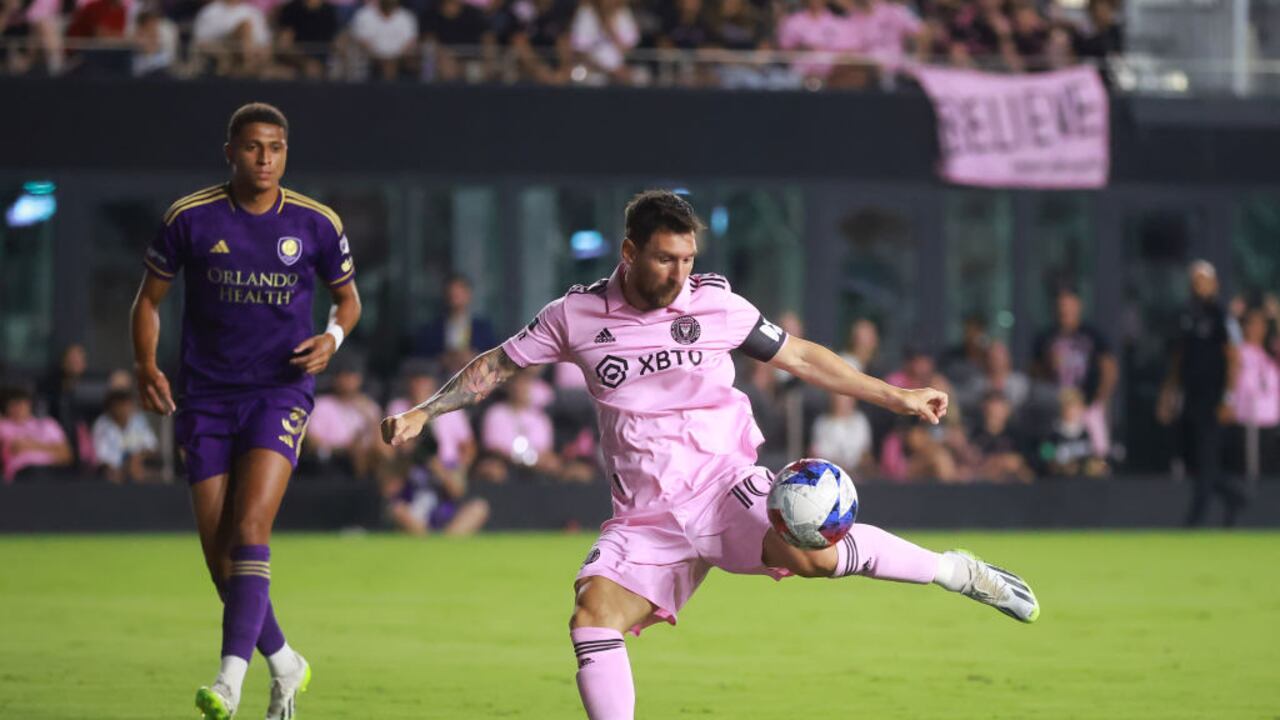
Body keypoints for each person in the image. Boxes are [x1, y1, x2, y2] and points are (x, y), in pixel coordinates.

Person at [382, 190, 1039, 719]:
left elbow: (803, 357)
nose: (680, 274)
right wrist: (423, 411)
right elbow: (496, 365)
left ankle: (958, 572)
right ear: (630, 251)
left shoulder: (716, 305)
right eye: (667, 259)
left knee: (814, 556)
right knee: (591, 617)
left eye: (689, 259)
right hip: (644, 517)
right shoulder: (574, 315)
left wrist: (891, 396)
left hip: (725, 485)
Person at [130, 102, 362, 720]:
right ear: (229, 151)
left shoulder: (315, 223)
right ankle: (285, 664)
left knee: (251, 531)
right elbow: (148, 301)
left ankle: (228, 681)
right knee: (219, 559)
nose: (266, 159)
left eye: (277, 148)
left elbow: (348, 301)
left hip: (279, 391)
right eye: (254, 147)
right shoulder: (191, 218)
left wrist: (333, 339)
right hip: (204, 396)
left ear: (287, 153)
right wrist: (145, 363)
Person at [1157, 260, 1246, 527]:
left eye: (1204, 280)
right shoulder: (1185, 315)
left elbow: (1234, 358)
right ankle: (1233, 495)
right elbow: (1178, 359)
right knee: (1191, 458)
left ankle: (1195, 521)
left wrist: (1229, 398)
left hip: (1214, 398)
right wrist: (1168, 394)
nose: (1199, 286)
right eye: (1195, 281)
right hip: (1190, 397)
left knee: (1206, 457)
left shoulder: (1222, 316)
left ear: (1214, 283)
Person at [1032, 287, 1117, 457]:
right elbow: (1033, 371)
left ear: (1078, 306)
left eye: (1068, 305)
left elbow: (1109, 367)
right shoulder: (1046, 337)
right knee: (1052, 451)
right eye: (1061, 305)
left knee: (1097, 451)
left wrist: (1100, 397)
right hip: (1057, 406)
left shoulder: (1092, 335)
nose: (1064, 310)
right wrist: (1049, 364)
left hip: (1088, 403)